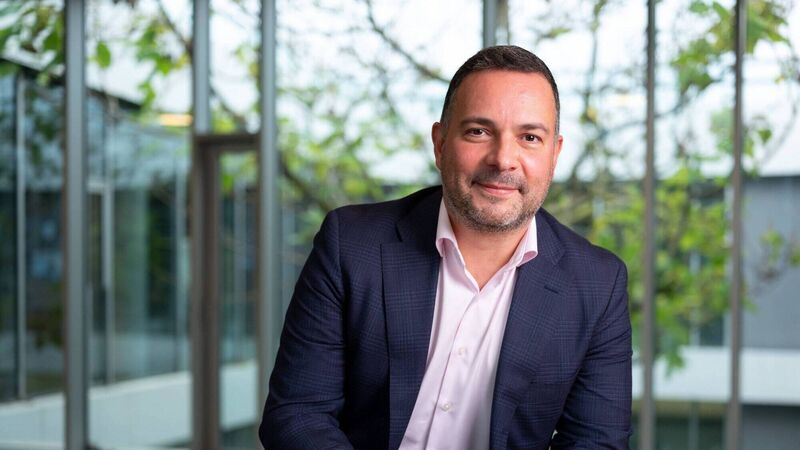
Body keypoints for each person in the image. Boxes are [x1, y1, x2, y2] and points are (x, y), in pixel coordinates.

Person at [260, 45, 632, 450]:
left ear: (554, 155)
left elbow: (596, 442)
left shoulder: (598, 283)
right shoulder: (351, 245)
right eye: (478, 131)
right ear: (440, 143)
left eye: (529, 137)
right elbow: (297, 415)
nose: (503, 159)